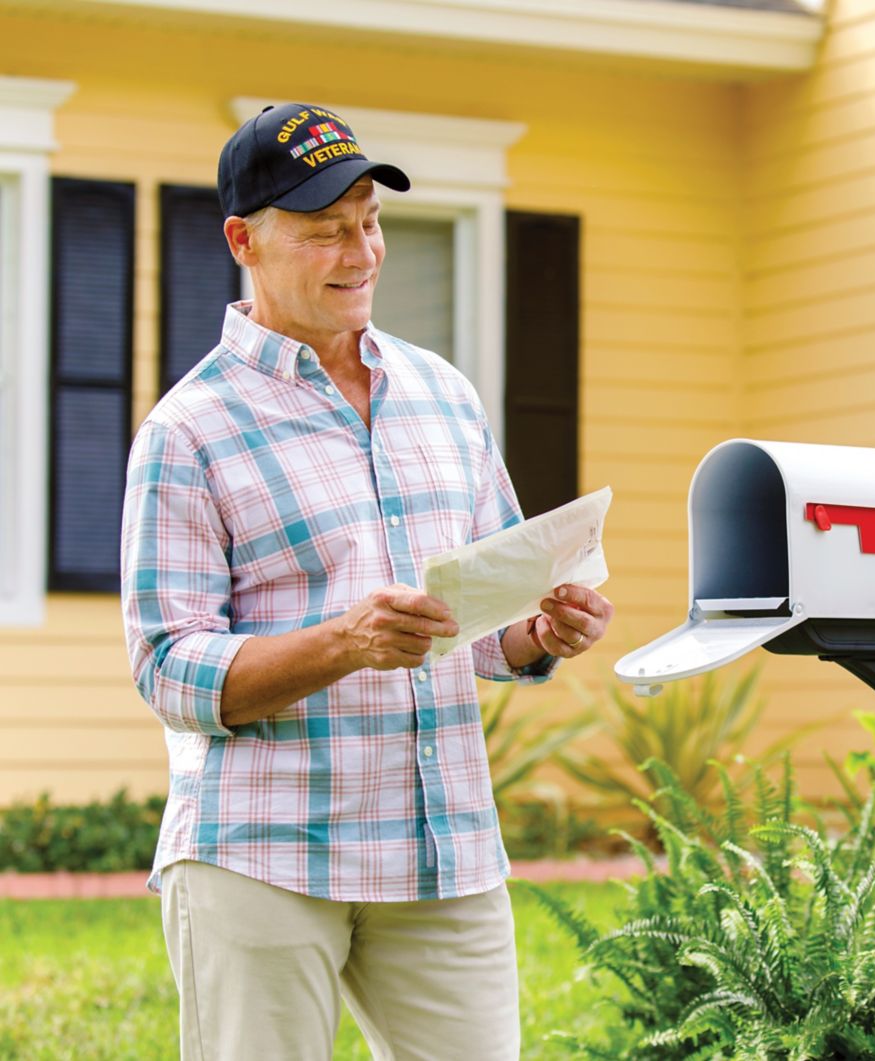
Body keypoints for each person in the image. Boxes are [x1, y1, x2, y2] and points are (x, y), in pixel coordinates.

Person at [120, 101, 614, 1060]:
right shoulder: (189, 431)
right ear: (243, 242)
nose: (360, 250)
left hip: (443, 847)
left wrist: (537, 630)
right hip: (261, 855)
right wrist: (343, 643)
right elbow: (169, 671)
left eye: (369, 221)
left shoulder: (441, 393)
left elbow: (482, 615)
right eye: (323, 231)